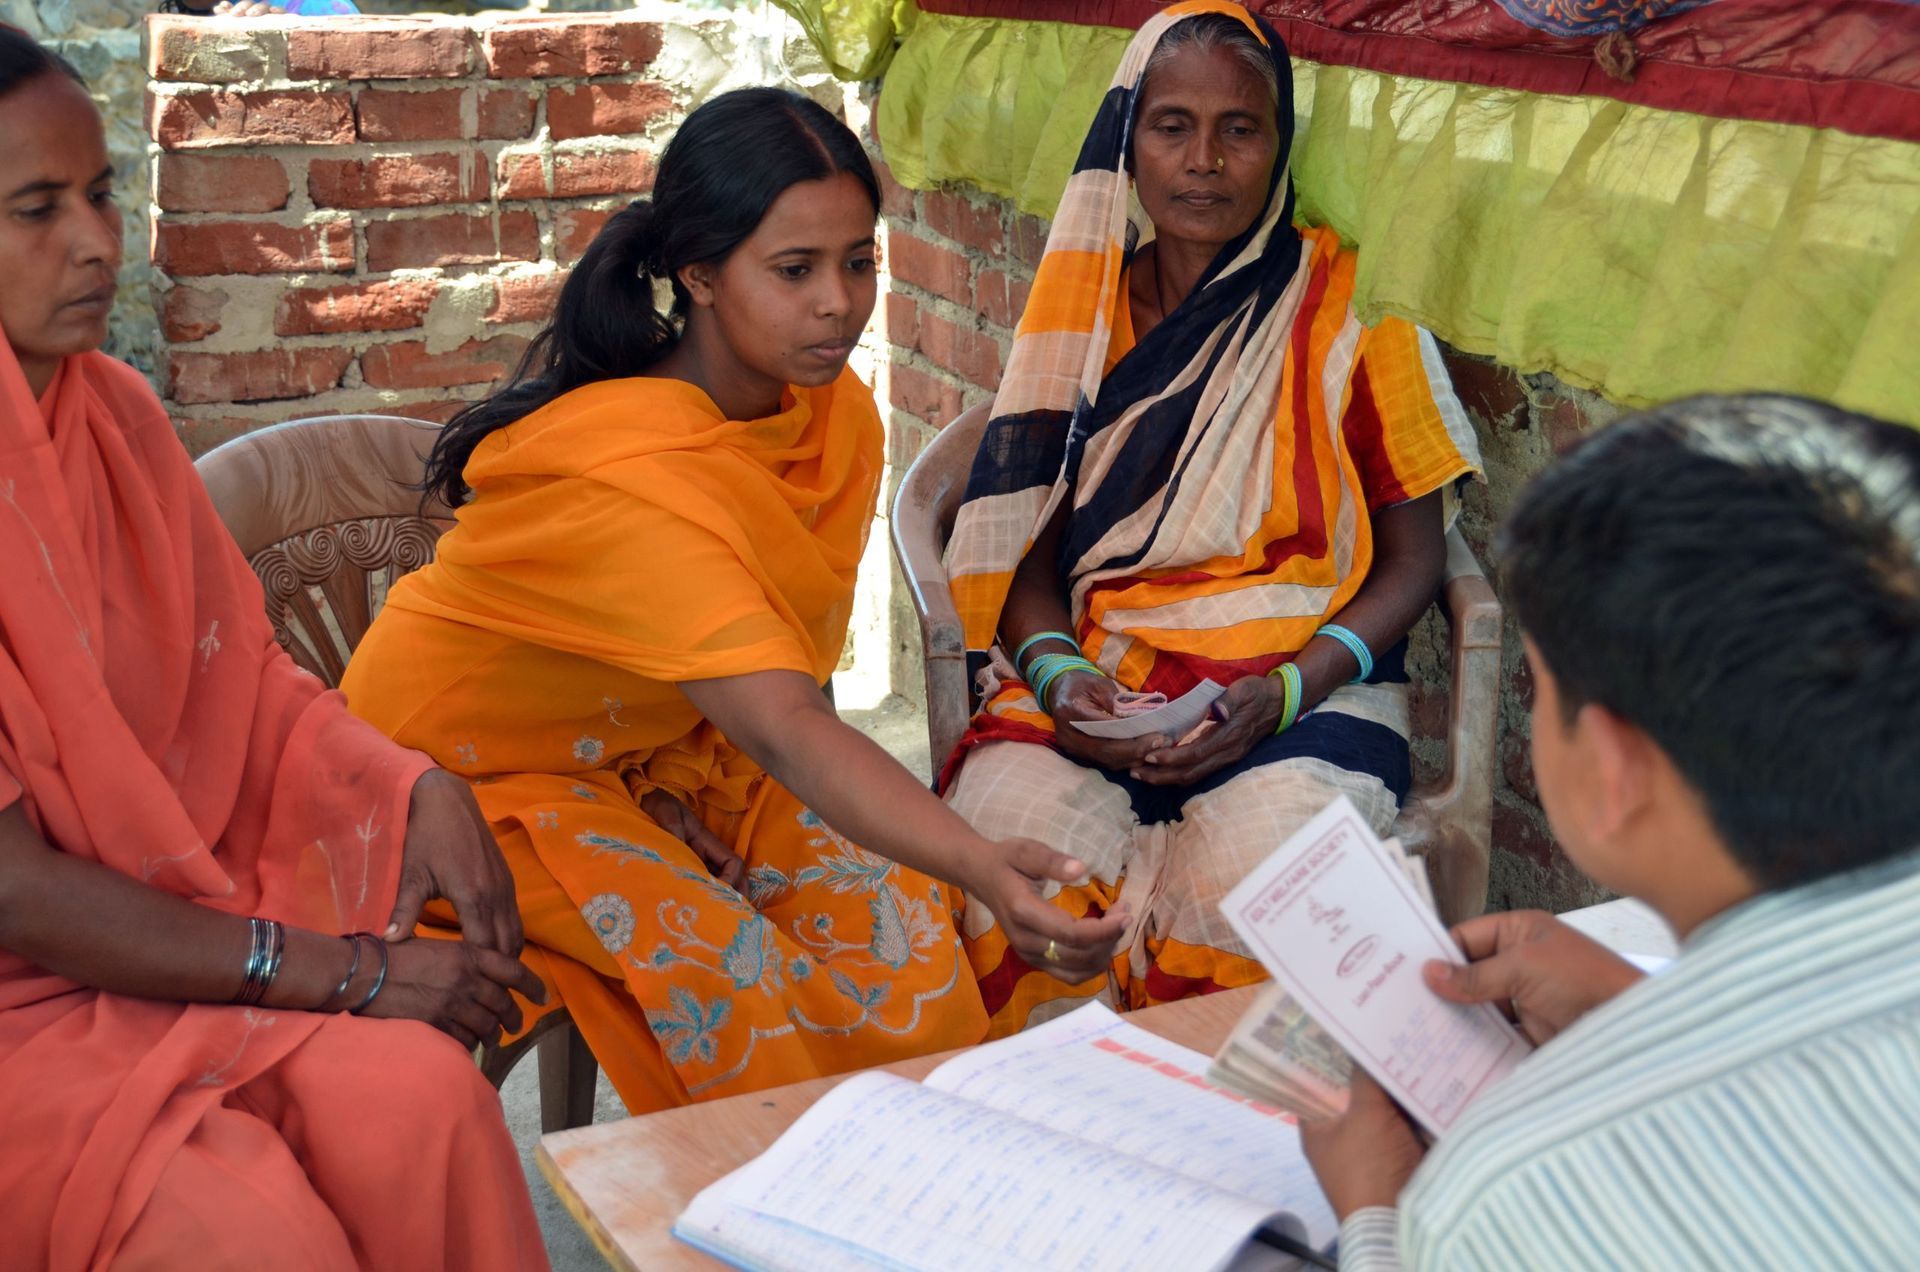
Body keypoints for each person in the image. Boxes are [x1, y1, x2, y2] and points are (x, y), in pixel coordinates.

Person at [340, 87, 1122, 1114]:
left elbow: (783, 693)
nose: (839, 303)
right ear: (699, 275)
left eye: (859, 261)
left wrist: (947, 869)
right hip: (462, 788)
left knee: (905, 926)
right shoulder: (638, 476)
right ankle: (775, 1215)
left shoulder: (828, 416)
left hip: (670, 752)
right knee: (739, 974)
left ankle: (922, 1197)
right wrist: (981, 859)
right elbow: (791, 726)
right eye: (794, 271)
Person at [0, 28, 549, 1270]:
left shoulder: (118, 421)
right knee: (254, 1239)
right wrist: (341, 971)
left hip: (165, 951)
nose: (95, 242)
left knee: (429, 1112)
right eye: (36, 209)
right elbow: (15, 887)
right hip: (28, 1012)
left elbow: (241, 678)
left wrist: (414, 783)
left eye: (98, 194)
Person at [940, 0, 1482, 1036]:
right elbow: (1025, 544)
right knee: (1010, 845)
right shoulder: (1081, 314)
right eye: (1172, 126)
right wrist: (1061, 681)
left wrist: (1281, 691)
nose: (1204, 160)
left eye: (1241, 128)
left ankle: (1235, 1165)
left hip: (1303, 686)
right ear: (1127, 145)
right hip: (1106, 678)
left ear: (1280, 148)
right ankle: (1048, 1148)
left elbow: (1413, 562)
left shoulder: (1352, 306)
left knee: (1265, 884)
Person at [1300, 394, 1920, 1267]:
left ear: (1616, 767)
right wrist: (1645, 1011)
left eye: (1543, 687)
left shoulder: (1519, 1195)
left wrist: (1382, 1217)